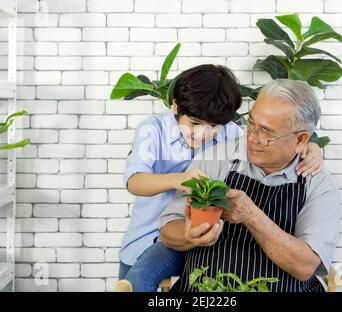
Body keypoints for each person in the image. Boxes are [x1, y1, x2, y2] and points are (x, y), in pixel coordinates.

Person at [118, 66, 324, 292]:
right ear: (175, 105)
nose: (203, 134)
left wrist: (310, 146)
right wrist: (180, 179)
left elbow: (269, 142)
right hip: (152, 237)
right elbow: (134, 181)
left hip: (204, 241)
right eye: (194, 124)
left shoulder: (232, 134)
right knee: (135, 281)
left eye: (214, 126)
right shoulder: (153, 130)